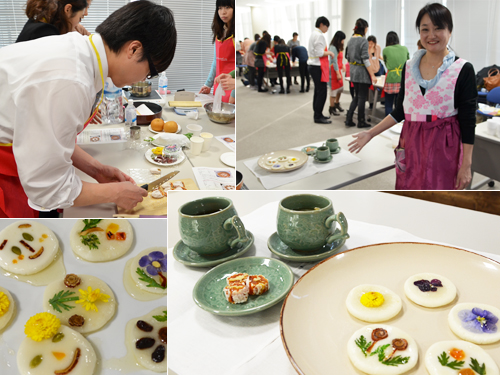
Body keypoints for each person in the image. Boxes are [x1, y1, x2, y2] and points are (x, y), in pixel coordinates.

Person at [0, 0, 177, 217]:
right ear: (133, 48)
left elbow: (50, 137)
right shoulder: (69, 79)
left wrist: (95, 169)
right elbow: (47, 190)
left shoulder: (80, 52)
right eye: (150, 72)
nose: (144, 79)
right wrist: (113, 193)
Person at [349, 3, 477, 190]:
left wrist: (466, 164)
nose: (431, 35)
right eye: (425, 29)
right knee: (408, 191)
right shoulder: (409, 67)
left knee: (441, 198)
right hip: (410, 144)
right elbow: (401, 110)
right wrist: (370, 133)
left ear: (450, 30)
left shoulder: (462, 69)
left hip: (444, 147)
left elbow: (468, 120)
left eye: (438, 28)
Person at [199, 0, 235, 104]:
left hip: (231, 87)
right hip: (219, 86)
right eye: (219, 8)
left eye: (227, 7)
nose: (223, 12)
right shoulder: (220, 32)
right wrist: (208, 84)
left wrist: (234, 94)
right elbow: (216, 61)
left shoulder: (234, 33)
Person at [345, 18, 377, 128]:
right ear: (364, 28)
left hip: (353, 72)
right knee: (362, 97)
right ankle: (361, 121)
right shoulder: (363, 40)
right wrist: (372, 75)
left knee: (356, 97)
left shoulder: (350, 40)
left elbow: (348, 57)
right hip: (362, 73)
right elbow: (365, 59)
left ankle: (349, 118)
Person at [16, 0, 87, 43]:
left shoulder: (35, 23)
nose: (78, 24)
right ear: (68, 9)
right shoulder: (45, 33)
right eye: (80, 18)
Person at [308, 16, 335, 124]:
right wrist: (330, 52)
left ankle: (317, 113)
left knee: (318, 91)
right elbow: (319, 53)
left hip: (313, 65)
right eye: (326, 26)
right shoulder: (319, 36)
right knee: (322, 91)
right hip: (317, 66)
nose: (327, 29)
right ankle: (318, 116)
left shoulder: (313, 34)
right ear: (322, 25)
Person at [382, 31, 409, 116]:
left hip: (391, 78)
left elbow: (386, 63)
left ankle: (388, 126)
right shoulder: (404, 48)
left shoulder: (386, 50)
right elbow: (408, 61)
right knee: (399, 105)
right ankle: (399, 125)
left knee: (388, 104)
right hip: (402, 78)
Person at [329, 30, 346, 116]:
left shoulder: (339, 47)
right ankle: (331, 107)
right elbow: (334, 61)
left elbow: (340, 60)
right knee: (334, 90)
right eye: (343, 39)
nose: (343, 41)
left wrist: (342, 65)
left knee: (340, 88)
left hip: (338, 69)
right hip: (334, 70)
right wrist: (337, 73)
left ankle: (337, 103)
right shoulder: (333, 47)